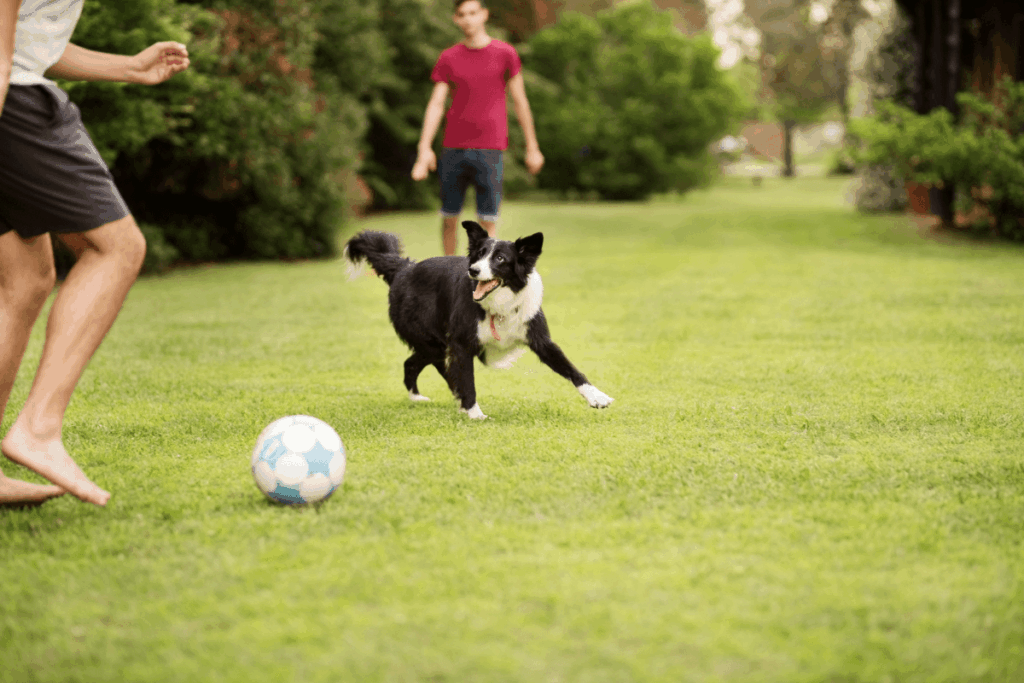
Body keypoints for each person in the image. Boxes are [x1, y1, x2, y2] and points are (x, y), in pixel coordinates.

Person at [0, 0, 189, 507]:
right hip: (12, 102)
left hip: (11, 87)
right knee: (118, 249)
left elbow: (26, 40)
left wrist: (127, 67)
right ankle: (38, 428)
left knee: (26, 281)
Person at [411, 0, 544, 256]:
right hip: (453, 148)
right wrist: (424, 147)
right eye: (462, 14)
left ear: (484, 14)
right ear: (455, 19)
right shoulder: (449, 58)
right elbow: (437, 103)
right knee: (449, 218)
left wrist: (532, 147)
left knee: (488, 220)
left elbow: (520, 102)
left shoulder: (505, 54)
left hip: (490, 149)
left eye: (473, 13)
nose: (468, 19)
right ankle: (448, 275)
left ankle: (486, 280)